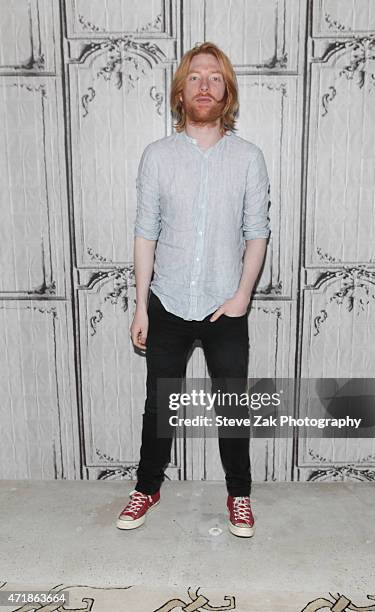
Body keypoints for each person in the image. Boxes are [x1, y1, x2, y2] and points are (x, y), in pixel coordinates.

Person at [116, 42, 270, 538]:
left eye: (215, 78)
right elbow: (146, 232)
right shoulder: (158, 157)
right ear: (181, 92)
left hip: (227, 304)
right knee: (159, 404)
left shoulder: (248, 158)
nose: (205, 85)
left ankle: (239, 495)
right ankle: (147, 486)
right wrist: (141, 306)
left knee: (233, 403)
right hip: (168, 302)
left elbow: (257, 232)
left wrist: (242, 296)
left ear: (228, 92)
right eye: (195, 77)